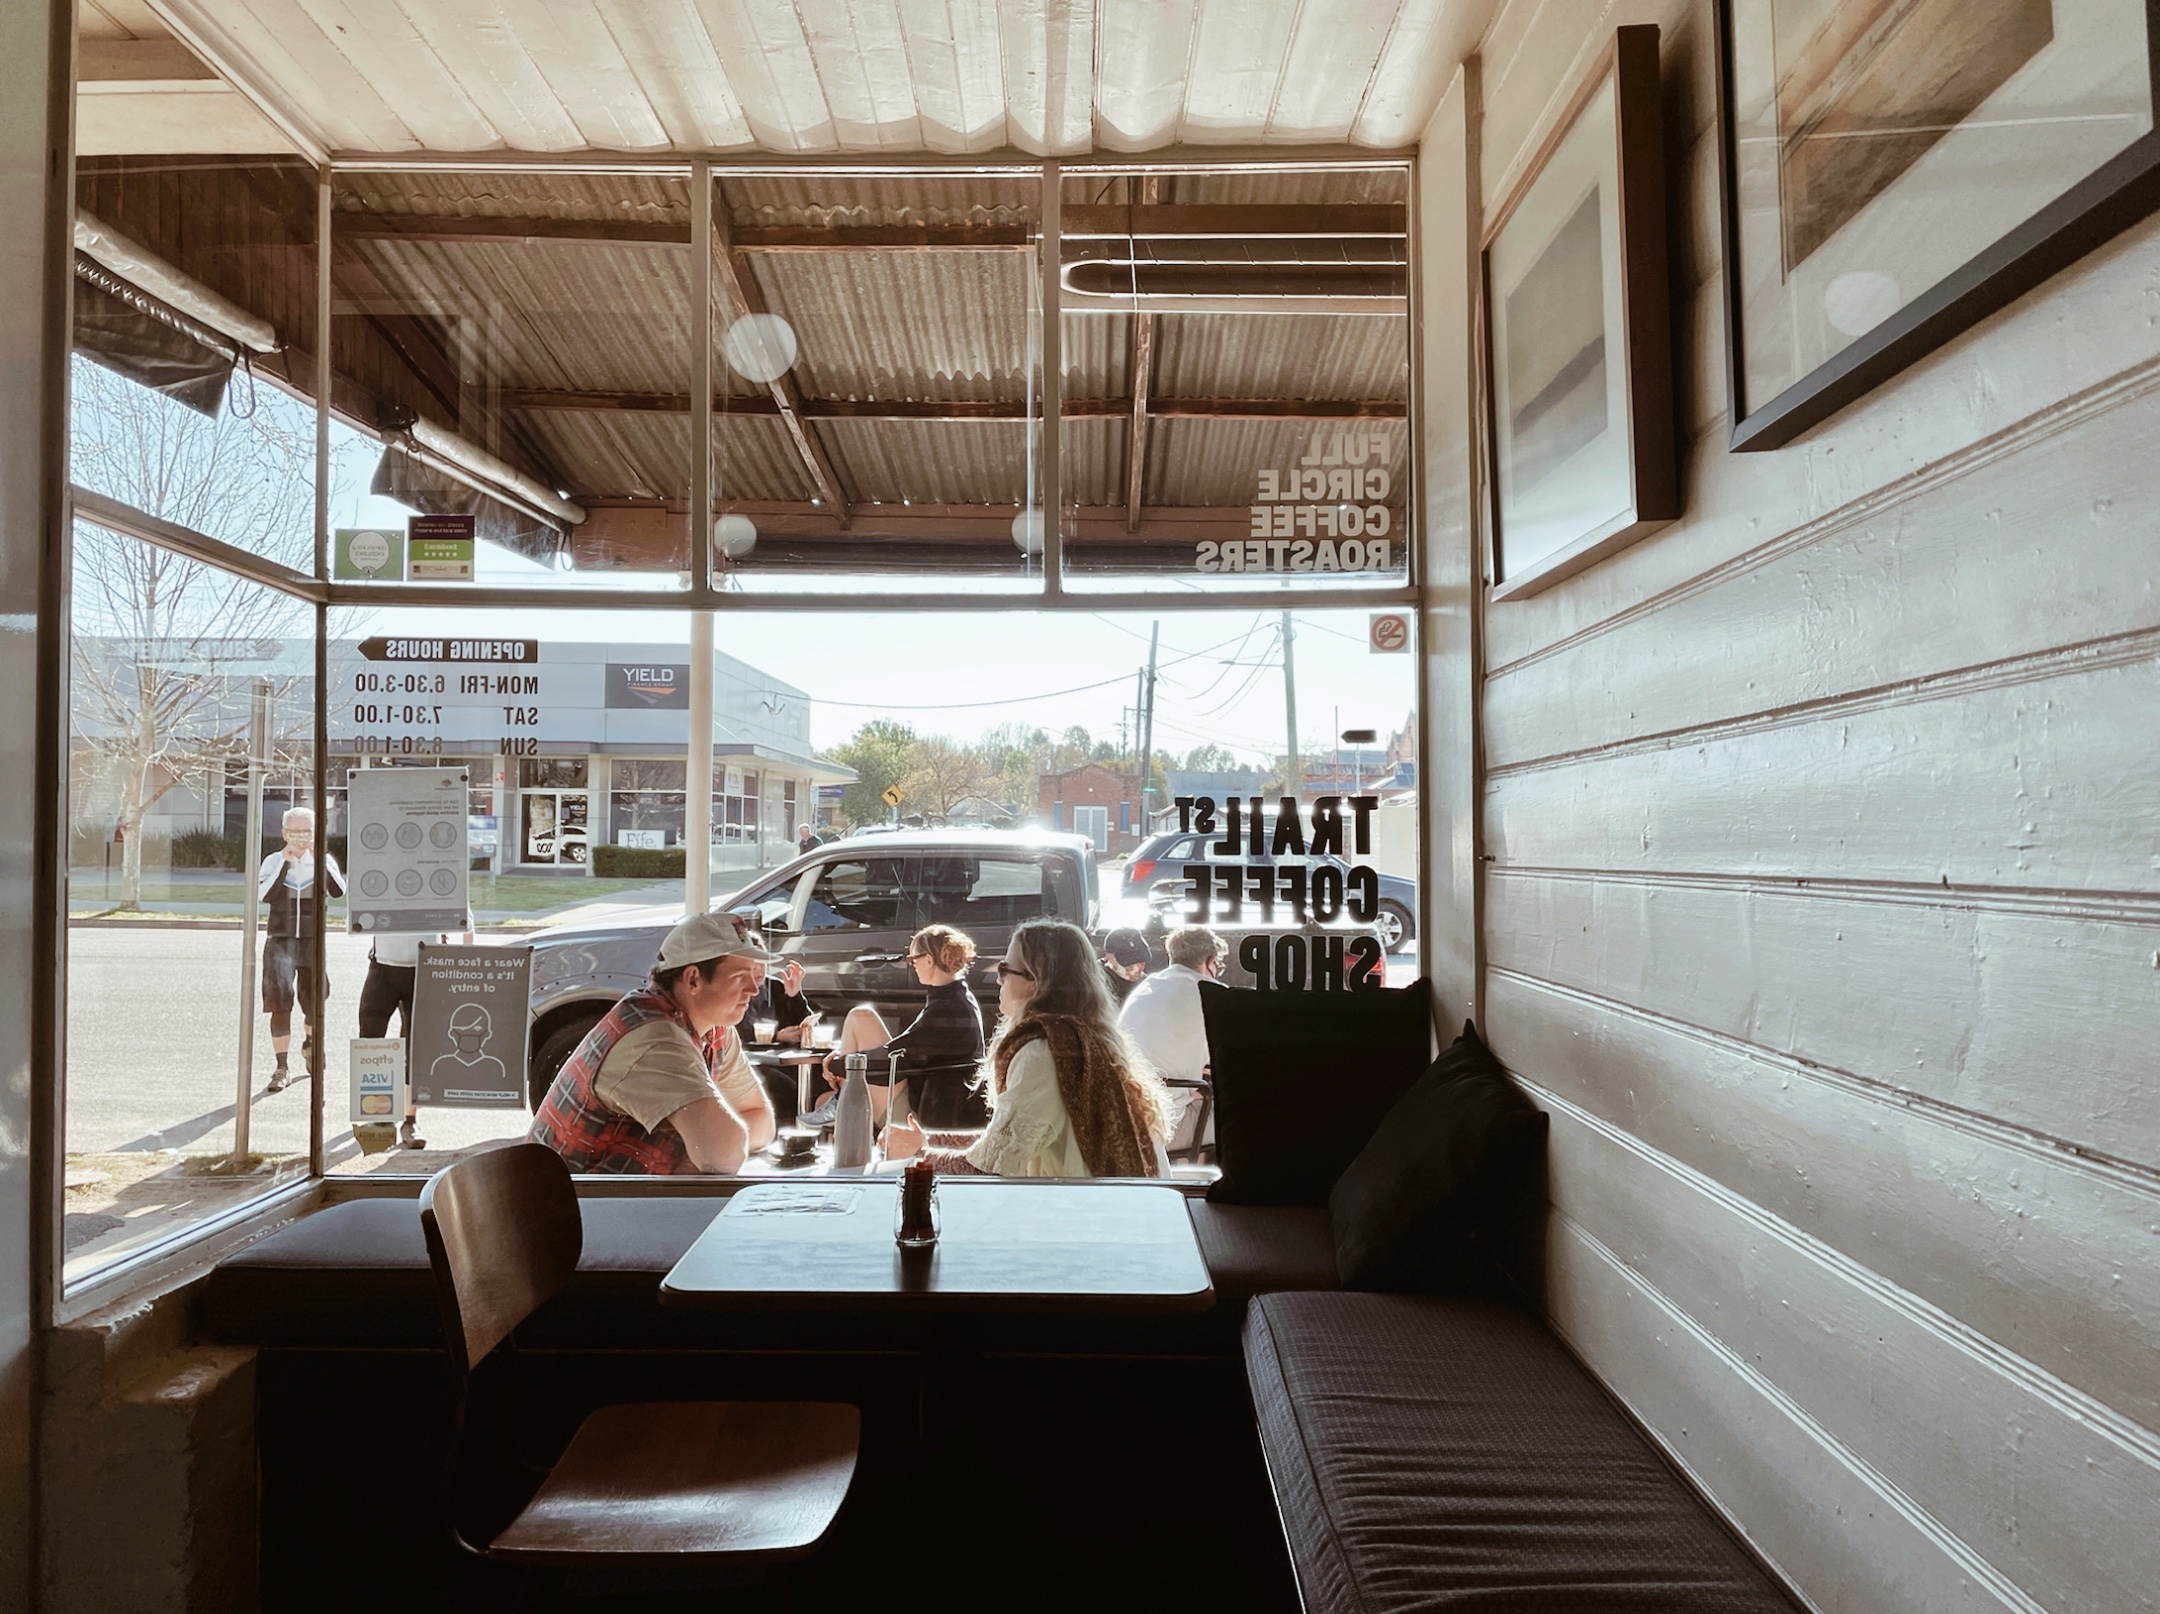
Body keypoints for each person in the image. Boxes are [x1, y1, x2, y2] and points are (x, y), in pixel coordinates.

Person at [884, 919, 1169, 1178]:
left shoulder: (1043, 1052)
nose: (998, 979)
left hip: (1072, 1216)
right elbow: (1006, 1139)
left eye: (1005, 969)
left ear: (1037, 982)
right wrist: (931, 1141)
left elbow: (989, 1167)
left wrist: (920, 1152)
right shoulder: (1081, 1037)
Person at [527, 912, 778, 1174]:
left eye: (753, 975)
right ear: (693, 979)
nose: (754, 989)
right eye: (740, 977)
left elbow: (760, 1118)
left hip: (613, 1202)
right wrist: (702, 1152)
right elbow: (722, 1154)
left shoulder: (715, 1029)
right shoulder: (653, 1037)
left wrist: (697, 1156)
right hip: (567, 1207)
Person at [803, 925, 985, 1127]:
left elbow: (894, 1060)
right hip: (929, 1098)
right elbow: (903, 1050)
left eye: (912, 959)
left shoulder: (946, 1010)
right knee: (861, 1017)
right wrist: (842, 1057)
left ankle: (842, 1102)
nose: (912, 964)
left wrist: (840, 1064)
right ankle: (840, 1101)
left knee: (858, 1022)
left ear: (928, 960)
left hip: (925, 1115)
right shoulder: (955, 998)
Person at [356, 909, 475, 1150]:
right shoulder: (382, 872)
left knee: (417, 1045)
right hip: (383, 966)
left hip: (425, 966)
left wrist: (465, 959)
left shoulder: (438, 871)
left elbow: (464, 917)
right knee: (371, 1037)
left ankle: (410, 1121)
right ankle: (381, 1114)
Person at [255, 807, 344, 1094]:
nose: (300, 838)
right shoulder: (272, 861)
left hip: (311, 940)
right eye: (294, 832)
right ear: (284, 833)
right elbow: (265, 895)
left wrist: (319, 860)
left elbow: (338, 891)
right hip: (280, 938)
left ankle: (310, 1044)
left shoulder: (322, 860)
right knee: (280, 1001)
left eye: (306, 832)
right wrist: (285, 863)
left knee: (314, 999)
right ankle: (281, 1066)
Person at [1118, 924, 1223, 1154]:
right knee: (1246, 1115)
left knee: (1198, 1096)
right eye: (1217, 965)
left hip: (1125, 1121)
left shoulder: (1145, 989)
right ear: (1209, 961)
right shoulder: (1213, 993)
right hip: (1166, 1128)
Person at [1100, 927, 1153, 1005]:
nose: (1137, 971)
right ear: (1110, 958)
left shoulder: (1146, 983)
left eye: (1142, 965)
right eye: (1129, 968)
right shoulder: (1096, 982)